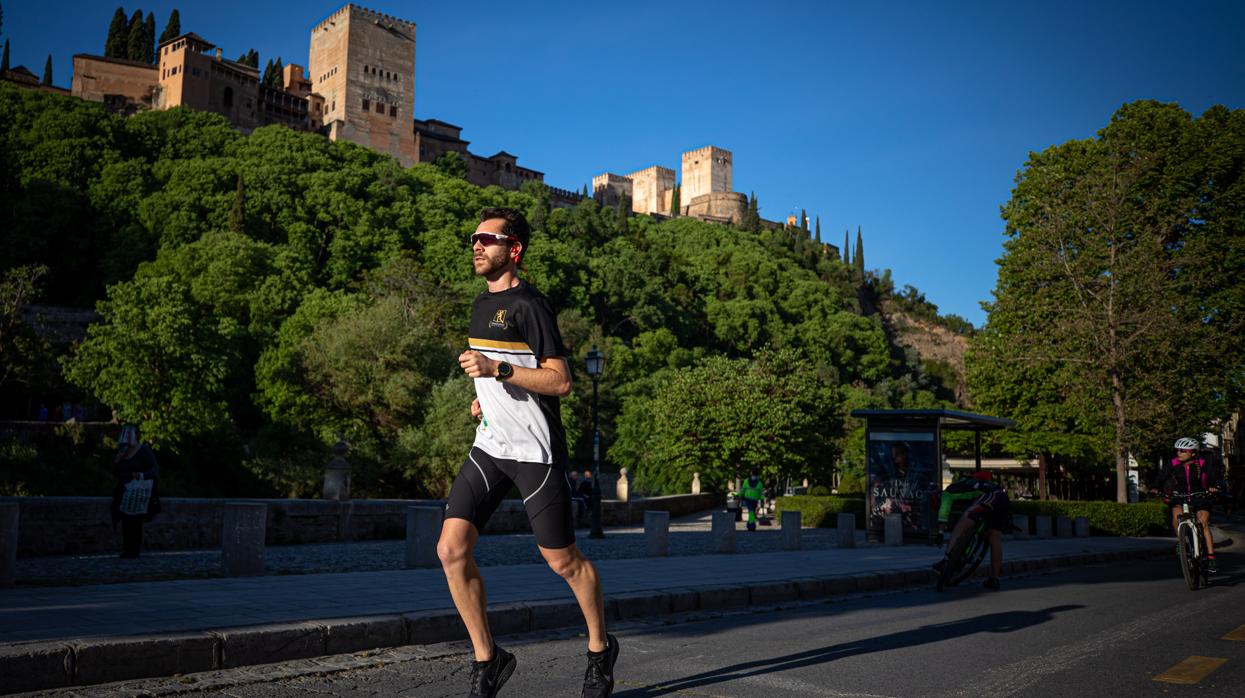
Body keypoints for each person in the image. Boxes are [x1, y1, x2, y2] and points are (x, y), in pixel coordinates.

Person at [439, 207, 618, 698]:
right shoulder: (479, 305)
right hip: (491, 445)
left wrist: (496, 371)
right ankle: (488, 659)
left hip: (535, 452)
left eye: (487, 239)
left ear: (512, 248)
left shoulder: (531, 306)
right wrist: (486, 396)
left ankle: (600, 650)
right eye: (473, 238)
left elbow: (559, 381)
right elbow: (504, 374)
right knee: (451, 550)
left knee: (563, 562)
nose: (476, 246)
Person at [1152, 437, 1222, 573]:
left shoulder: (1203, 463)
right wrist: (1155, 487)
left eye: (1183, 450)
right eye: (1177, 450)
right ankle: (1181, 541)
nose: (1179, 453)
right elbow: (1161, 476)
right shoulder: (1173, 463)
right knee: (1176, 515)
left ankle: (1211, 556)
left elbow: (1214, 476)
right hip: (1180, 496)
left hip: (1200, 496)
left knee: (1203, 522)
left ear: (1193, 453)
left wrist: (1214, 486)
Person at [932, 470, 1009, 590]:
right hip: (1002, 498)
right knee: (994, 537)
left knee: (963, 523)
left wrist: (940, 532)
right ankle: (994, 579)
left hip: (990, 496)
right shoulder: (976, 483)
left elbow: (943, 514)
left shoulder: (947, 493)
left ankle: (946, 560)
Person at [109, 425, 161, 558]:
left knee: (136, 521)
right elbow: (116, 472)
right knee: (126, 520)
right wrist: (117, 460)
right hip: (124, 492)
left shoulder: (144, 451)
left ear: (136, 435)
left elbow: (154, 469)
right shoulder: (122, 451)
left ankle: (134, 550)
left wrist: (140, 475)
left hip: (138, 492)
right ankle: (127, 549)